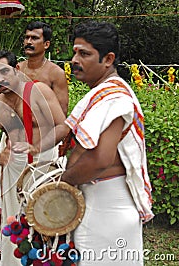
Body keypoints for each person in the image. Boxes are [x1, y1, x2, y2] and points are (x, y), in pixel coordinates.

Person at [61, 21, 154, 265]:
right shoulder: (103, 92)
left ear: (108, 58)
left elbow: (101, 158)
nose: (75, 59)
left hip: (106, 208)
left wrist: (64, 182)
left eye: (84, 53)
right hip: (100, 202)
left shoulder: (115, 97)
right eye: (74, 52)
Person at [0, 50, 68, 265]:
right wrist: (0, 159)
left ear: (17, 70)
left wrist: (37, 147)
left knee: (46, 223)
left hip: (44, 165)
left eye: (4, 72)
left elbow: (63, 125)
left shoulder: (39, 91)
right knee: (16, 222)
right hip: (12, 170)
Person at [17, 21, 68, 115]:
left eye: (34, 38)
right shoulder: (17, 68)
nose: (28, 42)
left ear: (46, 44)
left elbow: (62, 112)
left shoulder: (56, 73)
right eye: (27, 37)